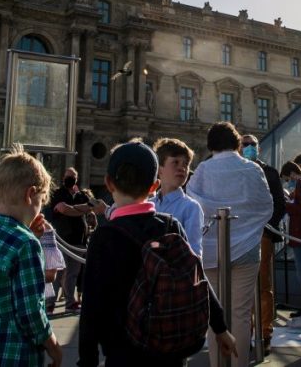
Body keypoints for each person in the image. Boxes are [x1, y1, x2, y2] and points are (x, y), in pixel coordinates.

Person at [78, 139, 236, 366]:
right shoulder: (170, 225)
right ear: (154, 186)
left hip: (124, 351)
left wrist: (87, 360)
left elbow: (92, 307)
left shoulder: (105, 237)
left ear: (109, 183)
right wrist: (220, 328)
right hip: (170, 347)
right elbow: (197, 277)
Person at [0, 145, 61, 367]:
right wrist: (54, 347)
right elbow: (31, 312)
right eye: (42, 200)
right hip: (16, 355)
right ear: (30, 194)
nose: (40, 209)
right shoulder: (27, 245)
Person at [188, 122, 274, 367]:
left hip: (212, 250)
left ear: (210, 144)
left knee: (216, 318)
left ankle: (218, 364)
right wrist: (247, 228)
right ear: (237, 143)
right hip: (246, 250)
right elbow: (265, 207)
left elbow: (195, 208)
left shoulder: (203, 170)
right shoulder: (251, 169)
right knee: (241, 314)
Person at [241, 134, 286, 352]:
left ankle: (265, 332)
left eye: (252, 144)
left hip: (262, 233)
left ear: (258, 148)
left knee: (263, 285)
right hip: (240, 235)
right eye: (245, 144)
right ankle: (246, 331)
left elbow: (279, 202)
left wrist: (268, 227)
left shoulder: (270, 172)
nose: (249, 147)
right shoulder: (237, 171)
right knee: (244, 286)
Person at [45, 166, 94, 312]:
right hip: (62, 239)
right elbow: (62, 209)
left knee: (73, 273)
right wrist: (80, 209)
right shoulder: (57, 193)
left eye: (72, 176)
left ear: (76, 179)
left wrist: (73, 209)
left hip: (79, 240)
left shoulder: (81, 195)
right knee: (59, 271)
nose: (70, 178)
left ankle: (70, 302)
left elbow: (90, 206)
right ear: (63, 178)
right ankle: (49, 302)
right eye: (68, 176)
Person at [152, 136, 204, 256]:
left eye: (186, 164)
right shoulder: (149, 204)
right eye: (175, 162)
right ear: (160, 169)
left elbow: (194, 253)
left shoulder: (190, 207)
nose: (182, 168)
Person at [280, 160, 301, 330]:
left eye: (287, 178)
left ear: (292, 174)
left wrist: (285, 203)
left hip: (300, 236)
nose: (288, 181)